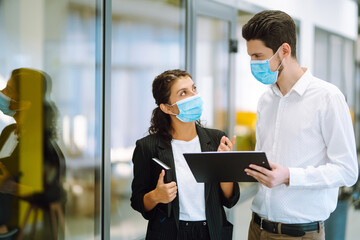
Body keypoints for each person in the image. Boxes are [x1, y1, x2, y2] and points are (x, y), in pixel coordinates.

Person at [241, 10, 359, 240]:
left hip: (299, 234)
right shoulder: (266, 99)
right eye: (250, 57)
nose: (253, 63)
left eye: (258, 56)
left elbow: (348, 171)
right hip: (257, 228)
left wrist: (289, 176)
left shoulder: (328, 98)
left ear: (284, 50)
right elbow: (264, 158)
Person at [131, 69, 240, 240]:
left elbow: (229, 200)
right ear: (167, 108)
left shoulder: (216, 139)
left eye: (193, 88)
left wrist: (225, 168)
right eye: (183, 93)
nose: (194, 95)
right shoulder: (147, 147)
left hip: (211, 232)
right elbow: (137, 200)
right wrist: (156, 196)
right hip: (169, 233)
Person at [0, 68, 65, 239]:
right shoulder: (8, 132)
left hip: (20, 228)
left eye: (8, 90)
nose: (2, 94)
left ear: (25, 103)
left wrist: (10, 186)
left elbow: (52, 194)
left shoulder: (42, 145)